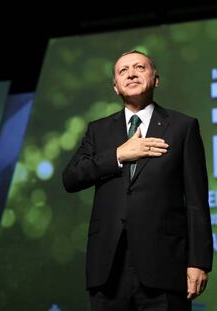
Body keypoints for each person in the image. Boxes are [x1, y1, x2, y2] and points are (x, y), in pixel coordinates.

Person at [62, 50, 213, 311]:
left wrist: (198, 262)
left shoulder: (182, 127)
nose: (131, 73)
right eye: (123, 71)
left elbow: (196, 201)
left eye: (139, 68)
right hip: (108, 270)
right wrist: (119, 154)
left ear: (155, 79)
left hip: (165, 268)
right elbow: (71, 178)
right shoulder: (98, 131)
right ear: (115, 87)